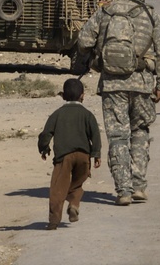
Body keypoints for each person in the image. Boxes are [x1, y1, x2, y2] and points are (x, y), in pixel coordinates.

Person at [77, 0, 160, 206]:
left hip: (112, 85)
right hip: (142, 83)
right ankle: (139, 185)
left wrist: (97, 58)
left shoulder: (105, 12)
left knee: (118, 137)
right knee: (140, 132)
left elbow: (83, 41)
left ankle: (123, 190)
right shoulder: (151, 14)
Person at [38, 78, 102, 230]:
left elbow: (46, 133)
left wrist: (44, 148)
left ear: (63, 96)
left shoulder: (57, 114)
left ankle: (54, 221)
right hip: (83, 156)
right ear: (83, 96)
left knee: (57, 189)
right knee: (77, 183)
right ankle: (73, 203)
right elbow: (95, 135)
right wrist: (96, 154)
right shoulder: (87, 114)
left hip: (63, 157)